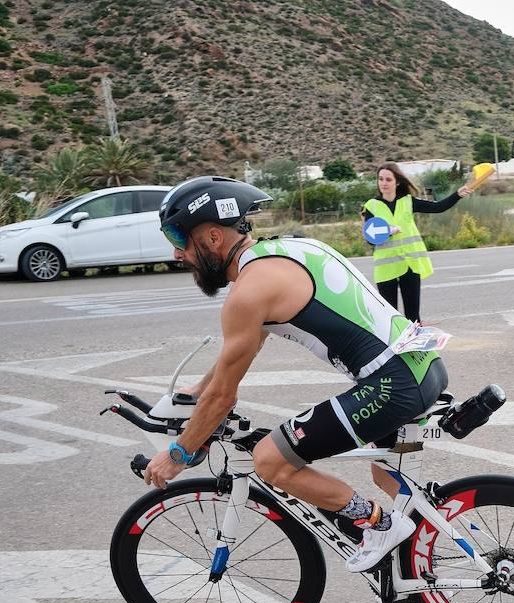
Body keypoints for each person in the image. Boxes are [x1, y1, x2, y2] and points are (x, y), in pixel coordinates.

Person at [144, 176, 448, 572]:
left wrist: (179, 453)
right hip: (423, 364)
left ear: (214, 237)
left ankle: (380, 526)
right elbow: (247, 348)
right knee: (386, 471)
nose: (176, 252)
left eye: (179, 238)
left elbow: (224, 398)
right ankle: (442, 548)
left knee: (271, 460)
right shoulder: (289, 249)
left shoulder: (249, 292)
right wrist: (199, 388)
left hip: (393, 384)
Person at [361, 163, 472, 322]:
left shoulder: (407, 201)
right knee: (390, 317)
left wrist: (457, 195)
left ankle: (415, 346)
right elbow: (369, 240)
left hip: (410, 264)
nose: (383, 183)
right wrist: (387, 231)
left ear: (397, 182)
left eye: (388, 179)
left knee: (413, 317)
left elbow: (438, 207)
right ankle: (394, 347)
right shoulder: (372, 206)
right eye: (380, 179)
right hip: (386, 268)